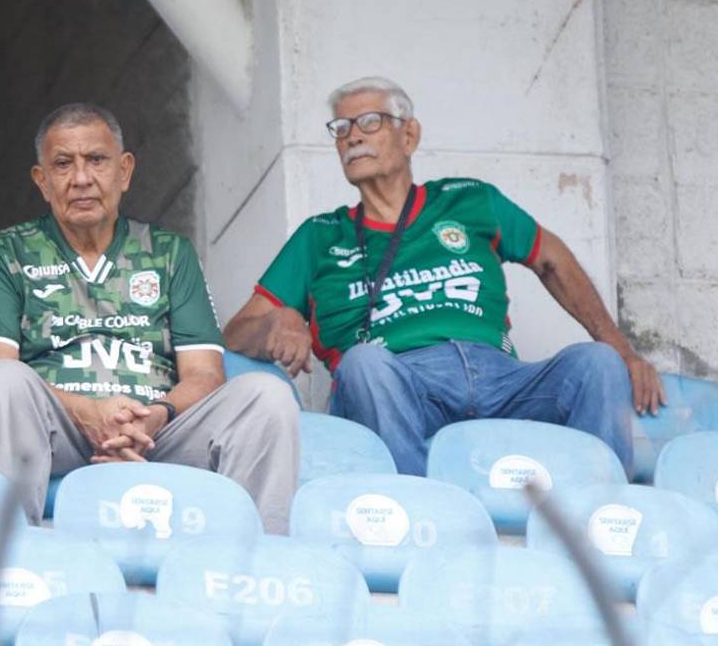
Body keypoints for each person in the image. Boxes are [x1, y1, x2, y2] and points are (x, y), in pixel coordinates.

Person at [224, 77, 662, 475]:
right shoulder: (320, 235)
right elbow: (235, 333)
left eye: (370, 122)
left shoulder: (468, 200)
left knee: (596, 363)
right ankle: (419, 513)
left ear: (409, 135)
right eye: (341, 128)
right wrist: (277, 321)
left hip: (502, 379)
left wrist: (625, 352)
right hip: (399, 382)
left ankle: (601, 515)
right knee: (364, 363)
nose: (353, 136)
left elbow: (553, 259)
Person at [0, 104, 299, 533]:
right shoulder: (4, 251)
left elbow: (204, 373)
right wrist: (90, 413)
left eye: (96, 160)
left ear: (124, 171)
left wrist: (155, 415)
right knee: (1, 381)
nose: (81, 178)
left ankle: (257, 556)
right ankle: (10, 552)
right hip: (58, 428)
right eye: (63, 164)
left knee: (267, 396)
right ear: (42, 181)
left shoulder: (170, 252)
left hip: (157, 432)